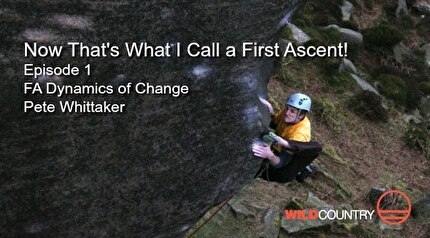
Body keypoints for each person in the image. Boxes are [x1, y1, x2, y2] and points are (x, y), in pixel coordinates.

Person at [253, 93, 313, 182]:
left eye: (292, 111)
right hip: (280, 142)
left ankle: (302, 170)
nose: (287, 112)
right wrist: (271, 112)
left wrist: (270, 155)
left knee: (270, 172)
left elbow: (281, 162)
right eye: (287, 108)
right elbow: (275, 124)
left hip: (285, 162)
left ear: (301, 115)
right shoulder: (287, 113)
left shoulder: (299, 135)